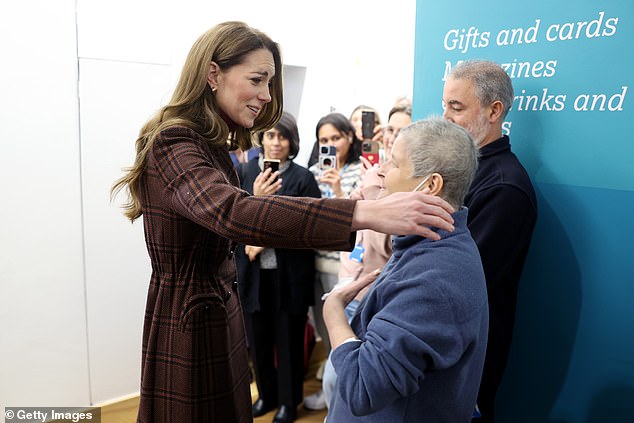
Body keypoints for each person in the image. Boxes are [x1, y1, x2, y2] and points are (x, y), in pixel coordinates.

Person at [110, 21, 457, 423]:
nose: (266, 95)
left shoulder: (211, 148)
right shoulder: (175, 142)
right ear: (212, 73)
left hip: (216, 307)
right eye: (257, 79)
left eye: (270, 82)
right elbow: (233, 213)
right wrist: (366, 213)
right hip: (189, 316)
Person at [323, 116, 488, 422]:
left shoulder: (434, 279)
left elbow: (364, 388)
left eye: (393, 163)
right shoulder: (429, 245)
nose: (381, 171)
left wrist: (333, 314)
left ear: (431, 185)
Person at [442, 59, 538, 422]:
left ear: (494, 110)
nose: (446, 117)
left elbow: (461, 280)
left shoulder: (504, 187)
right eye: (445, 105)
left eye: (457, 107)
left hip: (467, 358)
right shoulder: (466, 170)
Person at [314, 103, 413, 411]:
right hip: (346, 283)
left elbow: (395, 242)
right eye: (391, 130)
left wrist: (372, 199)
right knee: (334, 380)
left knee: (343, 380)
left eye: (400, 131)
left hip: (369, 295)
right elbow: (345, 220)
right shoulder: (374, 173)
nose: (389, 137)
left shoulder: (402, 185)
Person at [235, 111, 320, 423]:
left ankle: (288, 402)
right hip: (253, 275)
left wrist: (265, 241)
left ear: (292, 141)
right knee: (257, 341)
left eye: (282, 136)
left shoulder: (302, 178)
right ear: (261, 138)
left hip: (290, 276)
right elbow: (234, 218)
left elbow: (306, 228)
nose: (275, 142)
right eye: (270, 135)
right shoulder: (244, 172)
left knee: (288, 342)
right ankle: (267, 395)